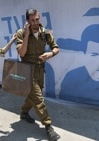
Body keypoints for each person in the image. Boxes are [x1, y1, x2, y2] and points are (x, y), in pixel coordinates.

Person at [16, 9, 60, 141]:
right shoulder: (21, 33)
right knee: (39, 99)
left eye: (37, 19)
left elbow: (56, 47)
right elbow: (22, 53)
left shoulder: (45, 32)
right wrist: (27, 34)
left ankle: (24, 112)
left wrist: (51, 54)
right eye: (32, 20)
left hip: (40, 69)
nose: (36, 22)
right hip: (27, 71)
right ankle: (48, 126)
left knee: (35, 94)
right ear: (27, 21)